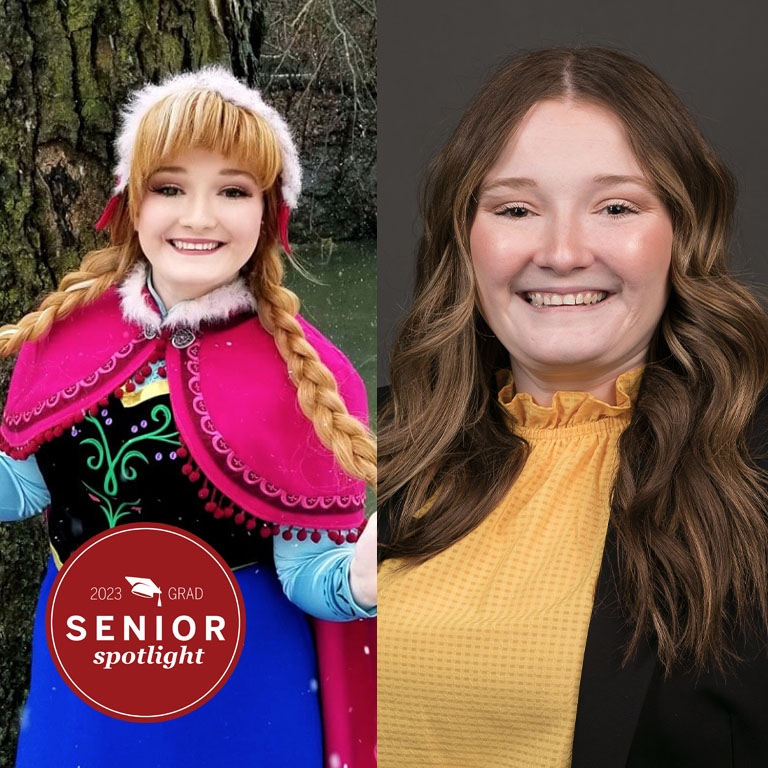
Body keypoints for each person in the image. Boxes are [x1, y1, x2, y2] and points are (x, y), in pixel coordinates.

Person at [377, 46, 768, 767]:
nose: (561, 252)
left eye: (616, 206)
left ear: (682, 230)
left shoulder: (755, 473)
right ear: (466, 237)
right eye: (517, 208)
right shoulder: (364, 446)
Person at [0, 66, 377, 768]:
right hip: (85, 673)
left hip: (243, 689)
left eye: (232, 191)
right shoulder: (63, 335)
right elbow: (23, 489)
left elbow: (309, 578)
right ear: (131, 206)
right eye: (170, 188)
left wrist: (363, 575)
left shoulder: (312, 376)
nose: (199, 217)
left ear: (268, 214)